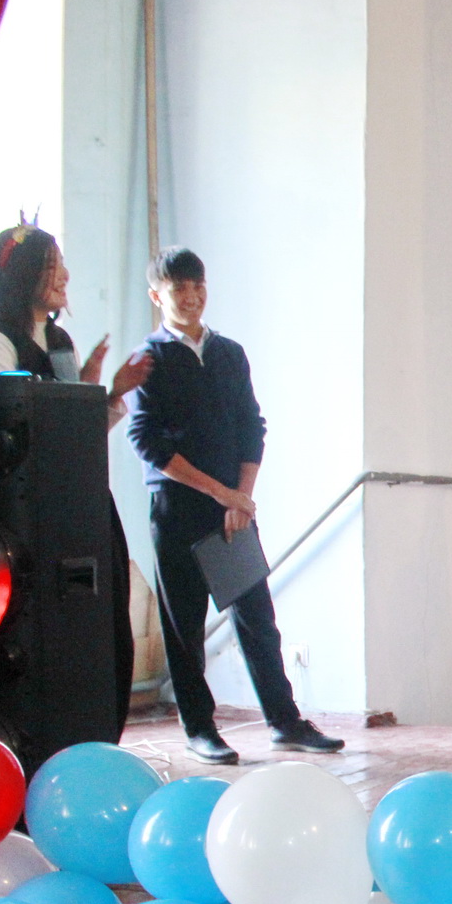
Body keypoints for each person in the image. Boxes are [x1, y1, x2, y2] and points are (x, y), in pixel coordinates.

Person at [127, 247, 344, 765]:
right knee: (185, 628)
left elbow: (252, 427)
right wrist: (220, 493)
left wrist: (240, 498)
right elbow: (148, 443)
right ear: (157, 295)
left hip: (232, 510)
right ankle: (200, 729)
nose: (191, 296)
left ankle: (284, 722)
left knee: (257, 620)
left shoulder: (229, 353)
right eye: (179, 288)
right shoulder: (147, 361)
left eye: (197, 286)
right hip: (178, 509)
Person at [0, 223, 152, 730]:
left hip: (77, 500)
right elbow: (11, 432)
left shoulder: (60, 341)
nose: (64, 275)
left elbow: (76, 435)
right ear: (22, 276)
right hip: (27, 514)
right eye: (52, 266)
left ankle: (97, 729)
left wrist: (105, 392)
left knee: (103, 620)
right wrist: (85, 395)